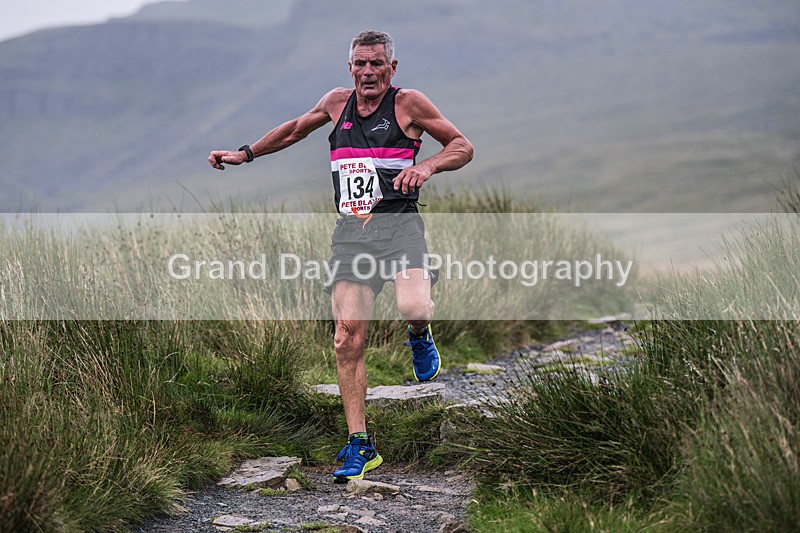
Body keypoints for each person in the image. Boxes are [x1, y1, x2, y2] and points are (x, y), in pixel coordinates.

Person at [208, 30, 473, 483]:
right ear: (349, 67)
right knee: (347, 339)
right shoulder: (336, 103)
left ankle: (419, 333)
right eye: (360, 64)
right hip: (352, 234)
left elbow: (462, 145)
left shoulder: (409, 104)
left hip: (400, 227)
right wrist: (244, 154)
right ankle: (360, 443)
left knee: (413, 306)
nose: (367, 72)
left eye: (376, 64)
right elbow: (295, 129)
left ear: (392, 67)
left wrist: (426, 166)